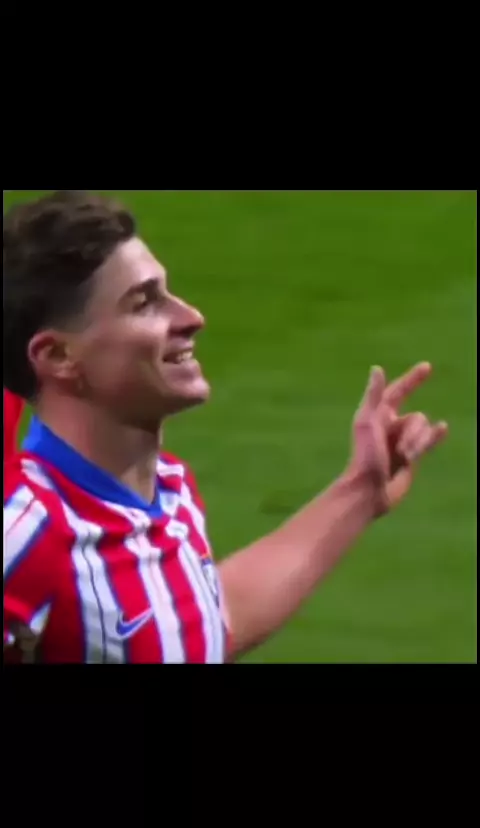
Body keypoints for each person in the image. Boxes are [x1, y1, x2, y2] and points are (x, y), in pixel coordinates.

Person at [3, 191, 448, 663]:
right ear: (58, 356)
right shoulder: (24, 532)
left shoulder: (169, 489)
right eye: (144, 303)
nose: (191, 317)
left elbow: (194, 630)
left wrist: (360, 491)